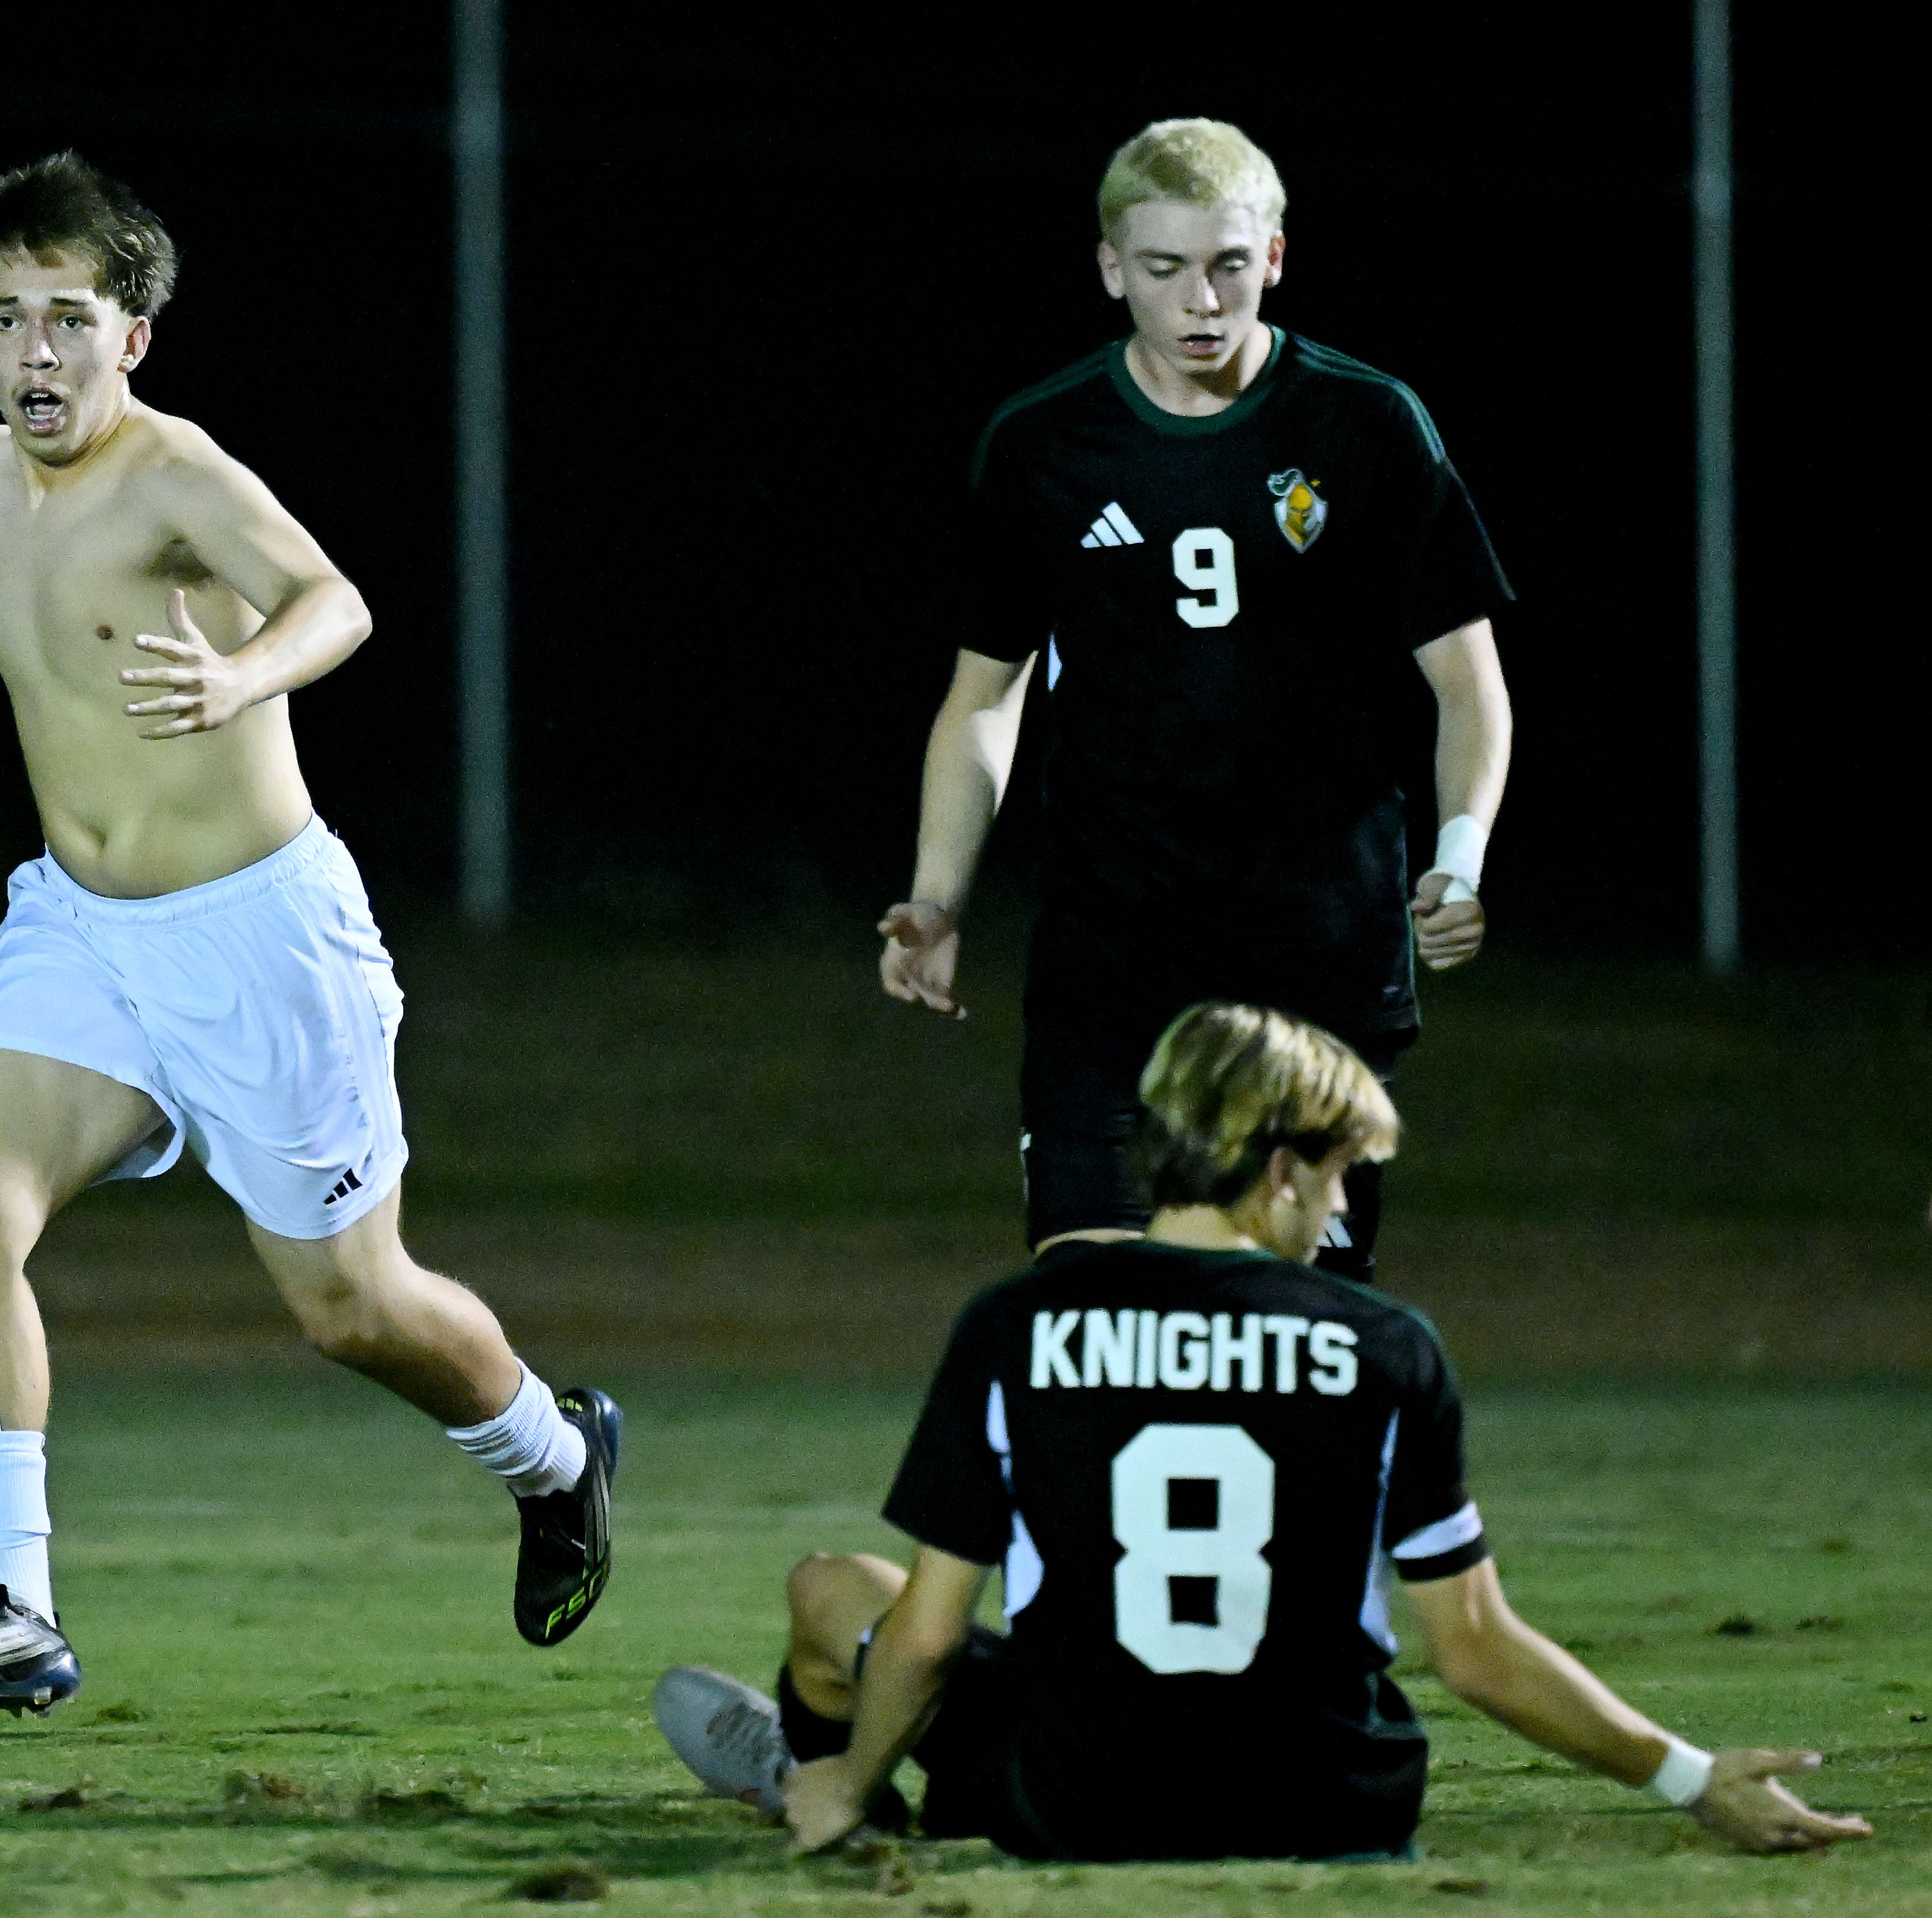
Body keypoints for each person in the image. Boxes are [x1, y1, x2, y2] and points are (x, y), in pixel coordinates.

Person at [0, 154, 618, 1707]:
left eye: (71, 319)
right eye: (9, 319)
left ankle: (553, 1453)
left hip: (259, 943)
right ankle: (11, 1607)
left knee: (351, 1308)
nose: (39, 352)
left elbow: (331, 595)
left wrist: (245, 677)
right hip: (80, 934)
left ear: (130, 338)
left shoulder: (175, 476)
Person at [654, 1004, 1873, 1863]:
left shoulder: (1019, 1323)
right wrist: (1689, 1776)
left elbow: (921, 1637)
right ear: (1281, 1168)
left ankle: (810, 1794)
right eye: (1342, 1173)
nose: (1345, 1206)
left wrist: (855, 1780)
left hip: (1082, 1804)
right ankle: (819, 1786)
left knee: (832, 1595)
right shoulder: (1390, 1344)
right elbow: (1479, 1651)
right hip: (1339, 1805)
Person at [878, 120, 1515, 1285]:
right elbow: (984, 694)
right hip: (1114, 953)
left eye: (1227, 264)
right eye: (1164, 269)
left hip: (1314, 954)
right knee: (1093, 1303)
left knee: (1287, 1324)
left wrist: (1460, 858)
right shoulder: (1042, 444)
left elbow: (1470, 683)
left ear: (1274, 257)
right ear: (1113, 268)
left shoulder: (1367, 425)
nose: (1200, 299)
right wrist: (936, 898)